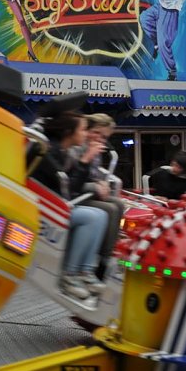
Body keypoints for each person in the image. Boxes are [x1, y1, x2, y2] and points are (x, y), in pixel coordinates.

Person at [29, 111, 107, 300]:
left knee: (101, 215)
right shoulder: (51, 152)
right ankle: (69, 275)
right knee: (91, 217)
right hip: (45, 209)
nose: (85, 133)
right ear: (68, 132)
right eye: (82, 129)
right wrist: (85, 160)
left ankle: (85, 271)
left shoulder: (62, 152)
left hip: (56, 204)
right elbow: (68, 189)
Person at [72, 113, 124, 280]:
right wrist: (95, 186)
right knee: (108, 209)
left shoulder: (96, 149)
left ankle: (105, 257)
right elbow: (75, 179)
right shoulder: (79, 147)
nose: (100, 139)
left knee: (119, 205)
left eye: (104, 136)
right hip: (77, 193)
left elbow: (92, 174)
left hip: (87, 190)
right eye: (97, 133)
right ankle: (95, 261)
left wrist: (102, 184)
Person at [140, 0, 186, 80]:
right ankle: (155, 43)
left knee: (164, 45)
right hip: (159, 7)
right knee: (144, 17)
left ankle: (172, 71)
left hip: (170, 13)